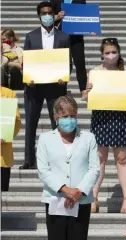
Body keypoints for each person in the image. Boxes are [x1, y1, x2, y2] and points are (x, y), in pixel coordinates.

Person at [36, 96, 99, 240]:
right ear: (56, 116)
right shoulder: (46, 139)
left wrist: (79, 191)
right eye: (64, 116)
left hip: (82, 201)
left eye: (72, 115)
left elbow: (94, 168)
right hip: (55, 201)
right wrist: (66, 190)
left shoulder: (88, 138)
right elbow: (43, 170)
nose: (69, 119)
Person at [82, 38, 126, 214]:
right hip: (101, 117)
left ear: (119, 52)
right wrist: (86, 92)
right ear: (102, 54)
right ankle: (93, 198)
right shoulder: (95, 72)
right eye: (107, 53)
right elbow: (86, 98)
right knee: (99, 159)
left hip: (120, 117)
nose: (110, 55)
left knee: (122, 158)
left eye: (113, 52)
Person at [20, 1, 71, 170]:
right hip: (34, 87)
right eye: (43, 13)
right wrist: (28, 77)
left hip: (56, 86)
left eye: (49, 13)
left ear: (54, 15)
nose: (47, 16)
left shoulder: (63, 37)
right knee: (30, 124)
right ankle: (29, 160)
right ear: (39, 16)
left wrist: (65, 77)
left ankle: (58, 159)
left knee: (57, 123)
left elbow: (68, 63)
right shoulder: (30, 36)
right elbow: (26, 62)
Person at [51, 0, 89, 96]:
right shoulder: (55, 1)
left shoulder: (80, 1)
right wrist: (57, 17)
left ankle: (83, 90)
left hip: (76, 37)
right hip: (60, 37)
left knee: (80, 62)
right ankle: (61, 90)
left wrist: (90, 28)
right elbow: (48, 18)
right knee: (63, 64)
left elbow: (85, 15)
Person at [1, 87, 22, 191]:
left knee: (3, 195)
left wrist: (6, 135)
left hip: (3, 155)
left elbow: (17, 121)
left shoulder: (9, 94)